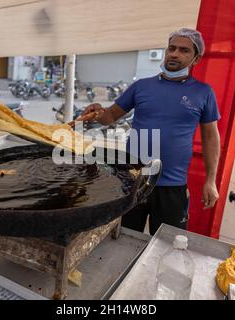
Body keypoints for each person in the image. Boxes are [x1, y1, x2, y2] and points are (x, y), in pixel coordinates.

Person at [81, 28, 221, 234]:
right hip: (132, 179)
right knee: (123, 238)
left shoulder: (203, 92)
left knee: (168, 244)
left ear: (196, 59)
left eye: (184, 50)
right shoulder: (142, 87)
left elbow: (210, 137)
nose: (174, 54)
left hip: (172, 186)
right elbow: (110, 116)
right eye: (171, 48)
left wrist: (211, 180)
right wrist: (97, 112)